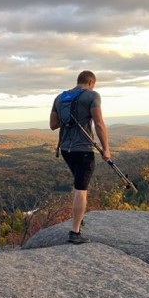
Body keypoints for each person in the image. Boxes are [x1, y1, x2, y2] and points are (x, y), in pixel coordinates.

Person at [50, 70, 111, 243]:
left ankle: (78, 217)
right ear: (91, 82)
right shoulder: (92, 95)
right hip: (83, 149)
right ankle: (75, 232)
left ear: (79, 81)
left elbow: (53, 125)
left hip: (65, 149)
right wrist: (106, 149)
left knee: (78, 183)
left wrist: (68, 118)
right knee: (81, 189)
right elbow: (99, 123)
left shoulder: (60, 98)